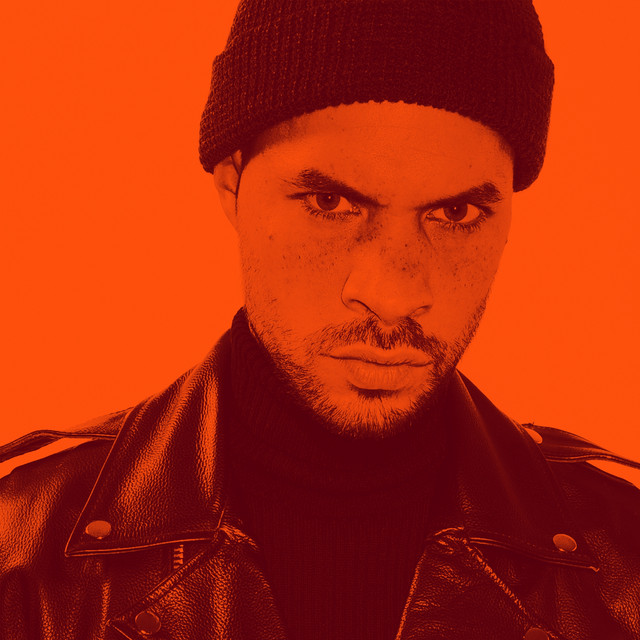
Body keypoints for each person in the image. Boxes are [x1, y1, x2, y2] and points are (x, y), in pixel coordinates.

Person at [1, 0, 639, 638]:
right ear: (232, 187)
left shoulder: (626, 559)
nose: (392, 295)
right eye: (330, 203)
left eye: (455, 214)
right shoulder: (19, 552)